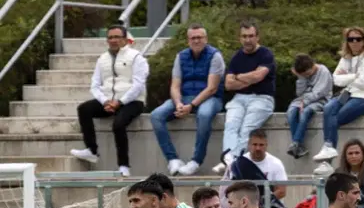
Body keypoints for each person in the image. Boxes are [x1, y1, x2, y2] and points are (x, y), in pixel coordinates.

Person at [70, 24, 149, 177]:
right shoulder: (102, 59)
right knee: (84, 109)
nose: (113, 40)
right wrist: (105, 101)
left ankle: (124, 165)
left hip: (133, 101)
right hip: (109, 100)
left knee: (118, 124)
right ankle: (91, 150)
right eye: (110, 37)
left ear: (125, 39)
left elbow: (138, 85)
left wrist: (120, 102)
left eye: (117, 37)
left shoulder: (136, 57)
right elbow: (95, 85)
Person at [150, 24, 225, 176]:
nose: (196, 41)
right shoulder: (181, 56)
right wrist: (178, 103)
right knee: (156, 115)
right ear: (188, 40)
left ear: (206, 39)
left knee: (204, 115)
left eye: (199, 37)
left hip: (210, 98)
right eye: (193, 38)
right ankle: (173, 159)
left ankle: (196, 161)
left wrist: (191, 106)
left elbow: (212, 88)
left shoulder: (215, 56)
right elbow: (175, 85)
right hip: (185, 97)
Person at [212, 22, 276, 175]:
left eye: (251, 36)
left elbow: (259, 76)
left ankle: (235, 161)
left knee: (247, 129)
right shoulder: (237, 57)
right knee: (231, 124)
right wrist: (250, 79)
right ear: (240, 38)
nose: (248, 40)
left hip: (262, 98)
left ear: (257, 37)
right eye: (244, 36)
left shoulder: (266, 54)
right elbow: (228, 84)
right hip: (239, 98)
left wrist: (239, 77)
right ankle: (228, 159)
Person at [312, 27, 364, 170]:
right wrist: (355, 76)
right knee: (328, 108)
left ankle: (328, 155)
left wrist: (347, 77)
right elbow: (335, 79)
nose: (354, 42)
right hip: (347, 94)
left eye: (358, 39)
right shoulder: (346, 58)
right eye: (351, 39)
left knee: (335, 119)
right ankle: (328, 146)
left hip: (363, 97)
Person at [286, 54, 333, 159]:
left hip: (321, 100)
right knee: (291, 113)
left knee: (305, 112)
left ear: (312, 66)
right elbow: (299, 93)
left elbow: (319, 93)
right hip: (303, 99)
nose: (307, 76)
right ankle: (298, 146)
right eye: (304, 75)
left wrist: (305, 102)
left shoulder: (323, 71)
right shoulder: (303, 75)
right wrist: (300, 78)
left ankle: (296, 142)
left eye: (308, 74)